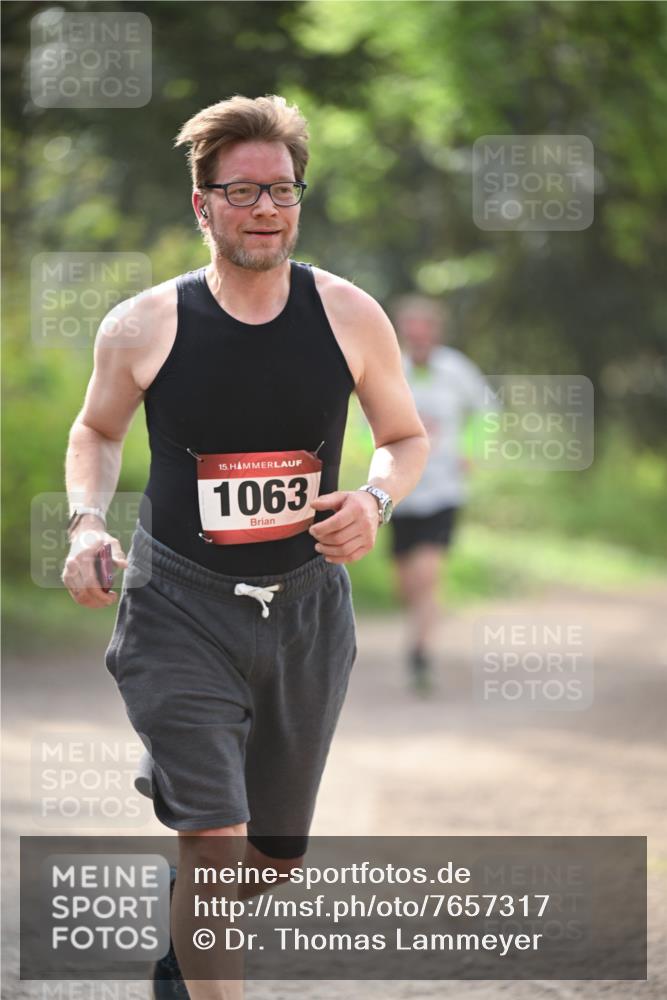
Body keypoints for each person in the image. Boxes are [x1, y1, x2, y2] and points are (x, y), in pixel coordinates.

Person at [61, 95, 428, 999]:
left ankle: (183, 946)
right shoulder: (143, 324)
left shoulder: (349, 315)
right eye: (241, 192)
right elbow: (96, 431)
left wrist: (375, 499)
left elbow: (405, 438)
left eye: (281, 190)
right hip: (177, 603)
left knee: (269, 854)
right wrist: (87, 522)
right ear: (201, 205)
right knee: (216, 838)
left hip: (305, 609)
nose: (265, 208)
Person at [389, 294, 493, 692]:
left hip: (444, 489)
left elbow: (487, 412)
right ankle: (423, 622)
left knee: (427, 574)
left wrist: (472, 450)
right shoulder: (391, 367)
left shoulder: (456, 369)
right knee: (406, 585)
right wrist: (376, 457)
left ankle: (421, 652)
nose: (417, 335)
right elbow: (366, 420)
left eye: (424, 327)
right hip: (400, 490)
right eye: (409, 329)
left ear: (435, 330)